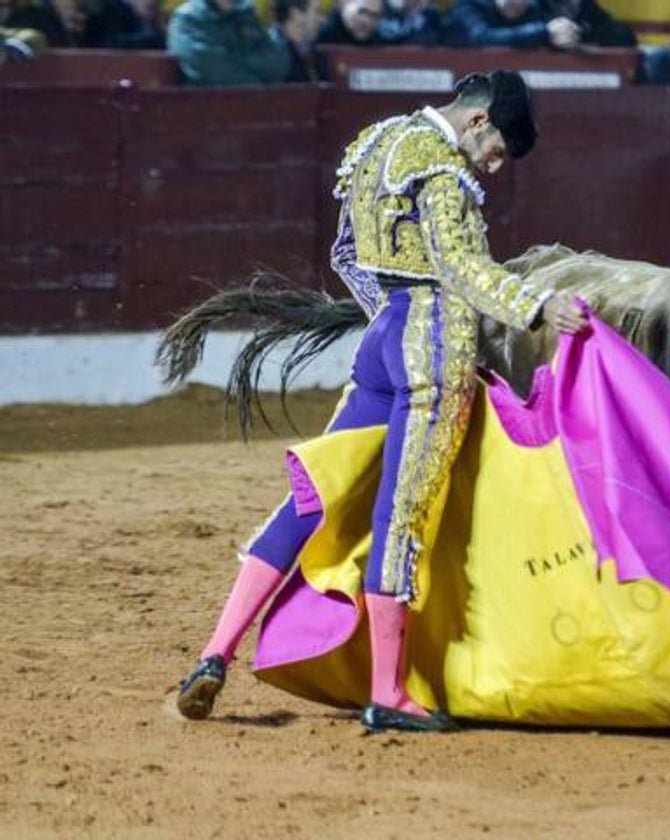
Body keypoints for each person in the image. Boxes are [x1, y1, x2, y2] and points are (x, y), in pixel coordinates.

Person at [174, 70, 587, 734]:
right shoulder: (446, 171)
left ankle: (212, 654)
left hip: (382, 341)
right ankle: (388, 692)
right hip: (434, 342)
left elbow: (347, 252)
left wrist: (389, 319)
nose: (495, 167)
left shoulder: (374, 145)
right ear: (479, 121)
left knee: (317, 494)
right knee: (405, 512)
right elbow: (461, 268)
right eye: (499, 151)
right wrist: (537, 304)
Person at [167, 0, 290, 85]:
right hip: (207, 109)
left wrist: (231, 57)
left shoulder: (246, 14)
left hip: (256, 109)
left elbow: (277, 63)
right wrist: (259, 86)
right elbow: (213, 69)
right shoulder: (188, 20)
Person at [446, 0, 633, 50]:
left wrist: (573, 34)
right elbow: (481, 37)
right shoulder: (468, 4)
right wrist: (545, 33)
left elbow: (624, 36)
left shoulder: (534, 8)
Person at [270, 0, 320, 82]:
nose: (320, 20)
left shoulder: (308, 49)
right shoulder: (275, 55)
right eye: (316, 12)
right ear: (295, 13)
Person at [316, 0, 385, 46]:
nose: (366, 21)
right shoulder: (326, 38)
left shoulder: (379, 42)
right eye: (361, 12)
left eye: (374, 16)